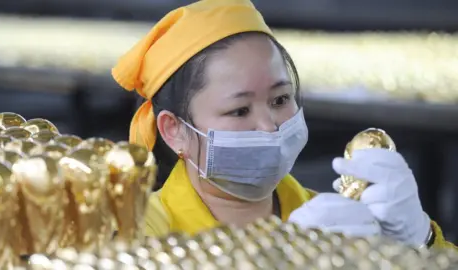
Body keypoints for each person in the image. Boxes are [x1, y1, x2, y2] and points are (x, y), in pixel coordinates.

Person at [112, 0, 456, 250]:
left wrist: (419, 241)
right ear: (174, 130)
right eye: (239, 110)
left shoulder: (335, 219)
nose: (269, 126)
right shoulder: (139, 238)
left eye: (280, 100)